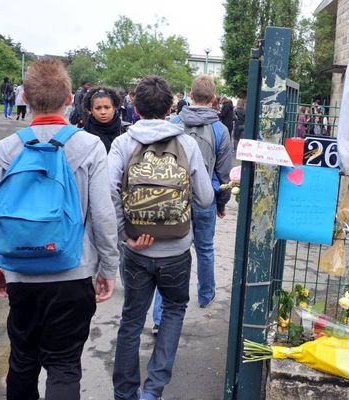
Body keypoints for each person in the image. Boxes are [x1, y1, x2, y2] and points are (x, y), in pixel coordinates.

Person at [0, 59, 120, 400]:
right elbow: (103, 215)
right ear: (70, 98)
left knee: (22, 361)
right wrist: (108, 268)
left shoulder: (6, 149)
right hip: (73, 271)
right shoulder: (88, 147)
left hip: (21, 274)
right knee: (64, 365)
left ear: (24, 96)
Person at [109, 75, 213, 400]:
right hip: (177, 250)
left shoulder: (124, 143)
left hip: (137, 249)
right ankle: (152, 390)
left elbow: (107, 191)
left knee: (131, 318)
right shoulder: (187, 144)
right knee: (173, 310)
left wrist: (126, 234)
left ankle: (125, 393)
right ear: (171, 108)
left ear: (135, 108)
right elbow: (206, 199)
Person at [150, 75, 232, 334]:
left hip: (173, 197)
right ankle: (206, 294)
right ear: (213, 97)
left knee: (168, 252)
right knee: (205, 249)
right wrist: (221, 202)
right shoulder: (220, 130)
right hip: (204, 197)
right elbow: (224, 172)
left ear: (191, 95)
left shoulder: (173, 123)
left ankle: (159, 316)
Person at [82, 86, 125, 153]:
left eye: (107, 107)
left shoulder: (125, 131)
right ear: (91, 110)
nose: (103, 112)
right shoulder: (83, 135)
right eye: (98, 108)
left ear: (114, 108)